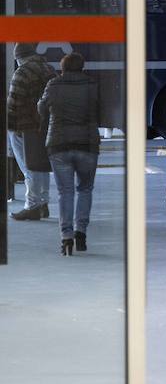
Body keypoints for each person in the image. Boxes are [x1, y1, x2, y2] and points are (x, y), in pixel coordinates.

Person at [37, 52, 100, 256]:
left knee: (65, 192)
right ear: (82, 67)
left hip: (59, 145)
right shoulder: (92, 85)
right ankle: (81, 232)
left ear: (62, 67)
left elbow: (41, 108)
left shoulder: (53, 85)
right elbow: (102, 109)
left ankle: (66, 237)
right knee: (85, 189)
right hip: (87, 144)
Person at [7, 42, 56, 220]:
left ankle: (32, 205)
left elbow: (13, 102)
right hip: (45, 126)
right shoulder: (48, 69)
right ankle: (43, 204)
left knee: (28, 167)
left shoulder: (22, 72)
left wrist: (10, 126)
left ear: (19, 58)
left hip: (24, 127)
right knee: (41, 164)